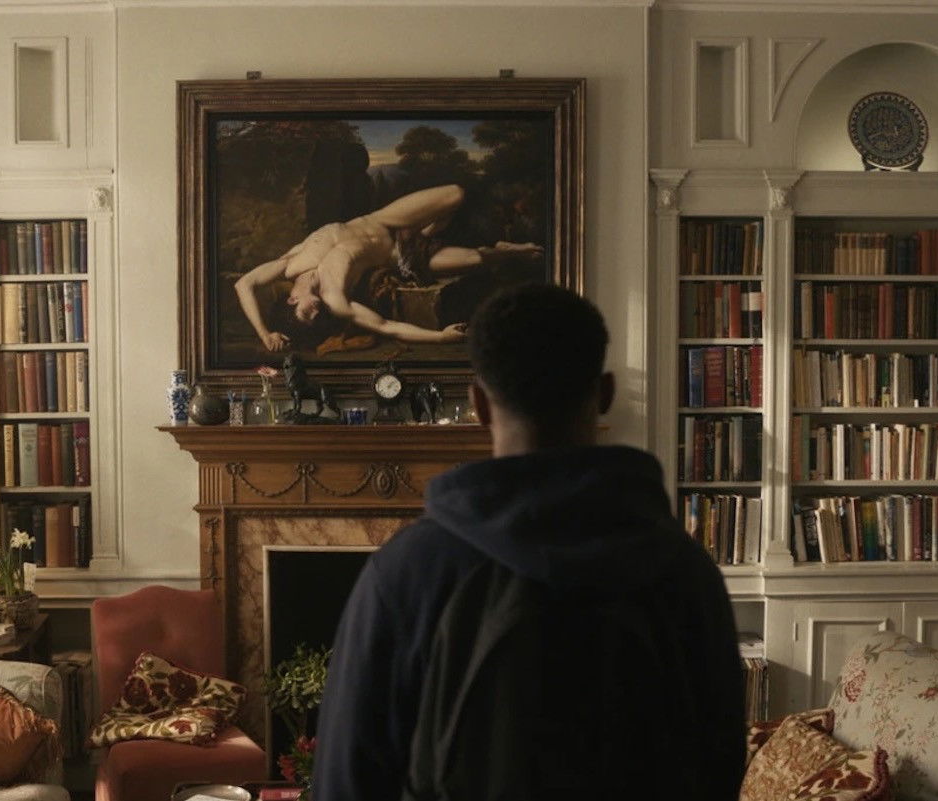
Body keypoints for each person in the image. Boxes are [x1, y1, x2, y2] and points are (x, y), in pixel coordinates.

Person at [311, 284, 746, 801]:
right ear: (605, 394)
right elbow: (719, 765)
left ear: (478, 403)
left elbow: (347, 779)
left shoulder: (407, 570)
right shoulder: (684, 570)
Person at [233, 183, 543, 352]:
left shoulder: (290, 263)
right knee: (475, 260)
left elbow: (243, 284)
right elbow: (385, 327)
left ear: (292, 299)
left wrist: (264, 334)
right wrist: (440, 337)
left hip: (384, 221)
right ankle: (506, 252)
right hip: (397, 255)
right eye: (315, 319)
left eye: (306, 313)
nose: (316, 313)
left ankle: (428, 232)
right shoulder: (335, 299)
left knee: (456, 194)